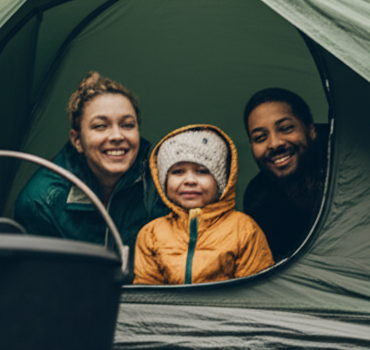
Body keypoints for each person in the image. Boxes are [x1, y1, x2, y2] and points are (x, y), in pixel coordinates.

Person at [14, 72, 168, 253]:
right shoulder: (41, 201)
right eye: (100, 126)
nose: (117, 136)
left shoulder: (161, 185)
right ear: (77, 140)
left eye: (127, 125)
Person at [134, 125, 274, 284]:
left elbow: (257, 292)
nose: (190, 181)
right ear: (163, 182)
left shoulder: (244, 229)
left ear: (221, 183)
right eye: (178, 172)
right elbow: (147, 296)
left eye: (202, 171)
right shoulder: (151, 234)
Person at [242, 88, 329, 260]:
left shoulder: (346, 164)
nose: (274, 144)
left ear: (311, 131)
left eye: (286, 128)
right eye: (260, 137)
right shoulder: (259, 201)